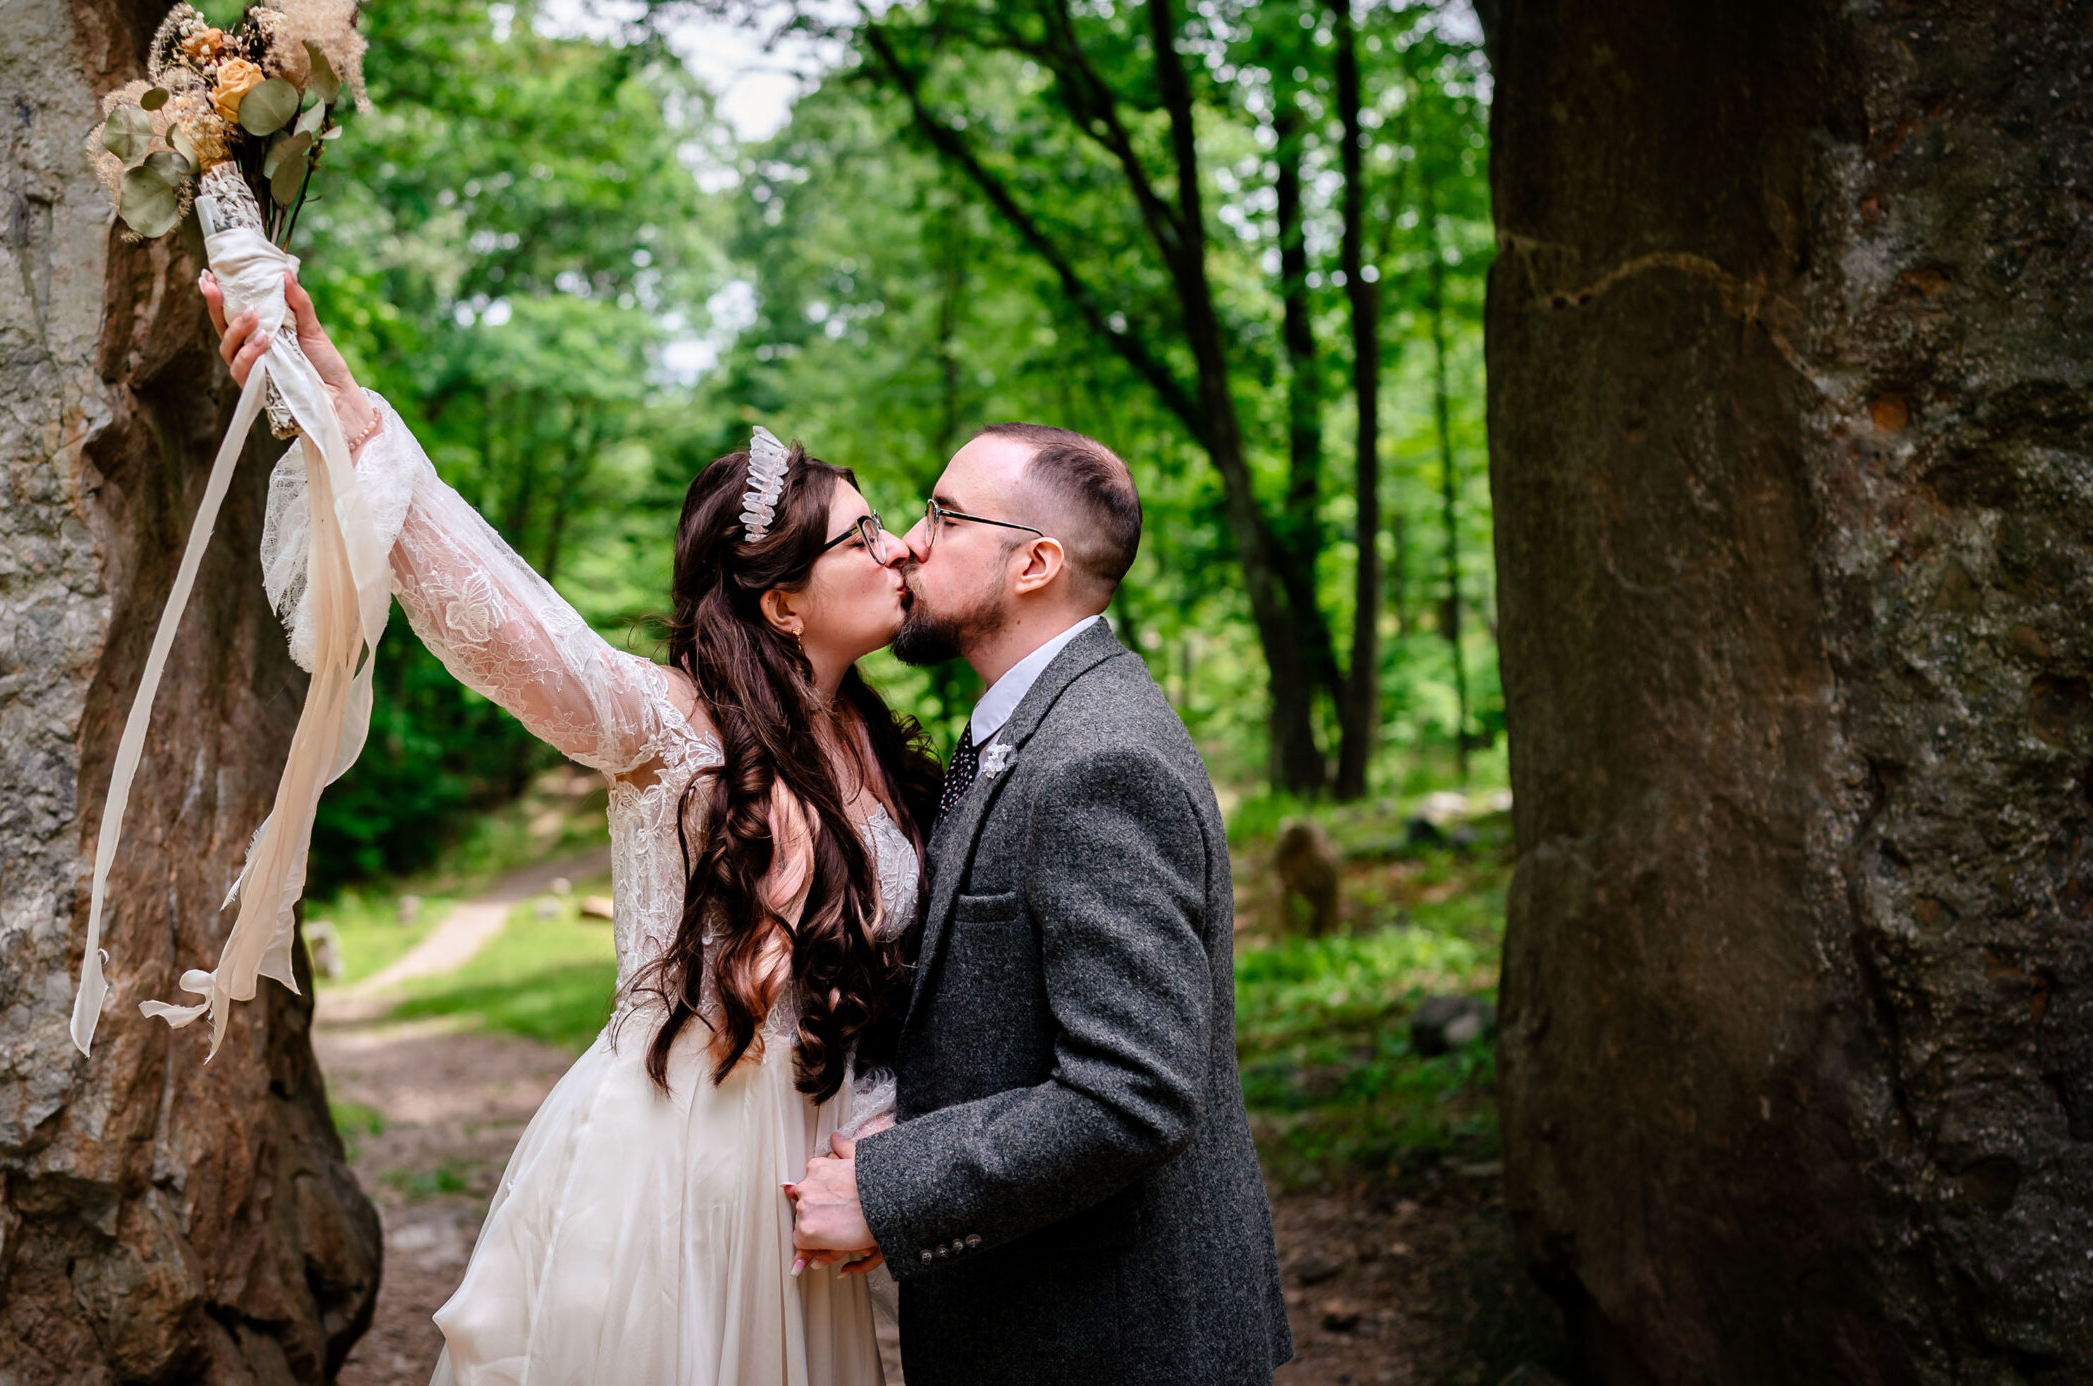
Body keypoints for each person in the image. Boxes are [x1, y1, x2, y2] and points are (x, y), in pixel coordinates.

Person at [203, 268, 933, 1386]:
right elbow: (507, 620)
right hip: (675, 1163)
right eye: (863, 536)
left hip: (802, 1164)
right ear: (781, 602)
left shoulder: (880, 747)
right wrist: (341, 397)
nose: (897, 551)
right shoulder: (669, 724)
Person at [787, 424, 1293, 1384]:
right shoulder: (1028, 727)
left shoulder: (1098, 759)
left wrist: (894, 1190)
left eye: (942, 515)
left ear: (1035, 563)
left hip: (1116, 1343)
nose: (907, 543)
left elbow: (1132, 1091)